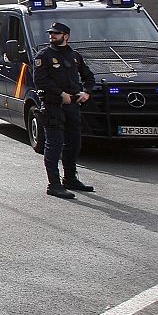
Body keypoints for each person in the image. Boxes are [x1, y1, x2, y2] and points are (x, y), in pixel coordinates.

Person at [32, 21, 96, 199]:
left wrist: (86, 92)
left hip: (73, 107)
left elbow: (89, 77)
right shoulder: (43, 56)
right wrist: (60, 94)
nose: (52, 36)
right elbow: (40, 81)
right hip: (53, 106)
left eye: (56, 33)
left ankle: (70, 178)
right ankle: (54, 184)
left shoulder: (74, 56)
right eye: (51, 33)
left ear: (66, 36)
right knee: (54, 145)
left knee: (74, 143)